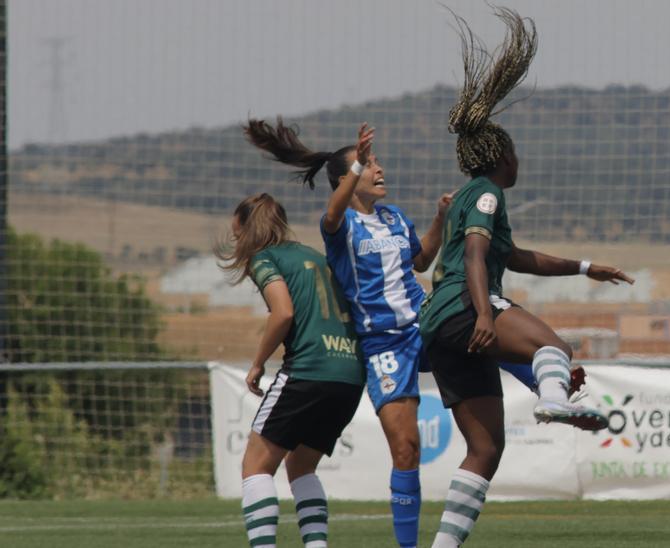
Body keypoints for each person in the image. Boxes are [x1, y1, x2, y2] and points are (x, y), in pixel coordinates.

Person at [420, 8, 634, 547]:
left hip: (442, 330)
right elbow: (475, 256)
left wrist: (586, 268)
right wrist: (488, 314)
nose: (520, 159)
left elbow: (516, 257)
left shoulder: (472, 197)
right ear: (501, 156)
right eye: (514, 151)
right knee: (554, 345)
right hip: (465, 310)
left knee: (486, 449)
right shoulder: (488, 193)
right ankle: (554, 400)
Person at [244, 118, 445, 548]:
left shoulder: (390, 217)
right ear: (345, 179)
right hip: (365, 356)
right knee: (314, 465)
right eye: (368, 164)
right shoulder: (333, 233)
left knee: (257, 465)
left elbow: (420, 260)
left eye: (374, 163)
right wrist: (355, 165)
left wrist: (442, 218)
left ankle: (544, 378)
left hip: (345, 353)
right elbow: (334, 213)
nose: (378, 169)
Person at [217, 193, 363, 548]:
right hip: (349, 374)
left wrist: (257, 363)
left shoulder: (264, 258)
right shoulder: (313, 255)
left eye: (237, 234)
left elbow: (283, 312)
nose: (236, 242)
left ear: (246, 230)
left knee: (255, 466)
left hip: (309, 369)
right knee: (301, 467)